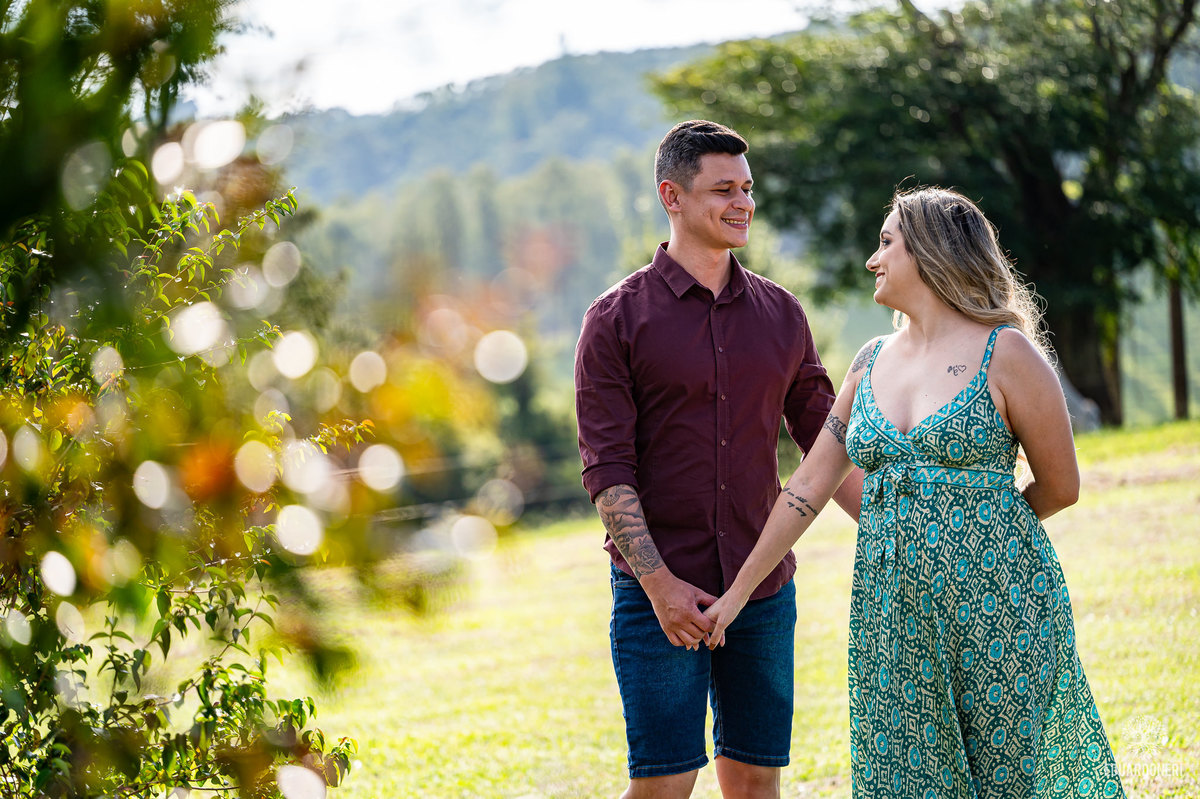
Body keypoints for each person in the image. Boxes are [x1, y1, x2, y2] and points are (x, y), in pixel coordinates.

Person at [703, 186, 1125, 798]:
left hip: (998, 603)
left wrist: (982, 538)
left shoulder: (1005, 354)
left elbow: (1062, 486)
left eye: (886, 243)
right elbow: (807, 486)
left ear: (929, 252)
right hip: (890, 609)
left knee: (1015, 775)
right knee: (906, 775)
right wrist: (737, 595)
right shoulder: (868, 362)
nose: (873, 260)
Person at [574, 119, 863, 799]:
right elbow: (606, 469)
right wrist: (661, 586)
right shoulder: (615, 320)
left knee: (757, 780)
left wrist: (891, 523)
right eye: (723, 190)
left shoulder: (782, 314)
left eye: (748, 188)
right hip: (659, 598)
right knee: (665, 785)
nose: (744, 204)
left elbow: (829, 441)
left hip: (762, 592)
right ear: (672, 197)